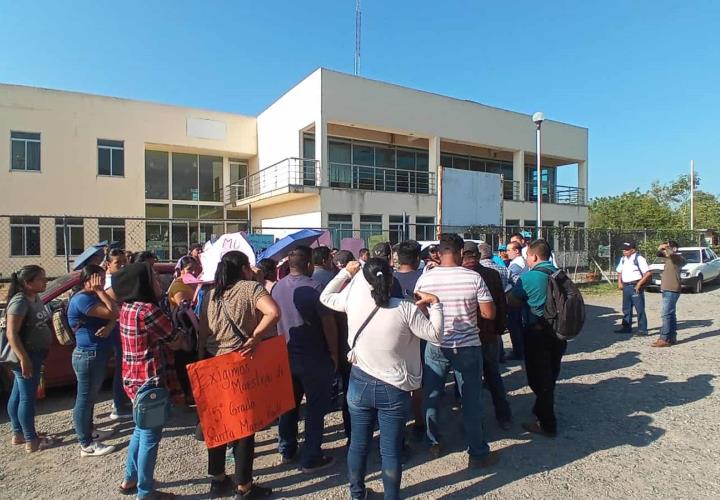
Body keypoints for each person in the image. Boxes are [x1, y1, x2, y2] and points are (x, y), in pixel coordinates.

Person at [320, 258, 443, 500]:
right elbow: (436, 334)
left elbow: (325, 296)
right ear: (391, 278)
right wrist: (435, 304)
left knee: (358, 443)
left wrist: (345, 272)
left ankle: (357, 493)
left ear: (364, 280)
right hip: (394, 388)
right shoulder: (405, 308)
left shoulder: (352, 301)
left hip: (359, 383)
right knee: (391, 450)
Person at [198, 251, 280, 499]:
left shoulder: (211, 294)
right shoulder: (250, 289)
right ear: (244, 268)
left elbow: (202, 332)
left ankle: (218, 477)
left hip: (214, 362)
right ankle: (244, 485)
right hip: (240, 361)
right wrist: (255, 336)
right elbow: (273, 312)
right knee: (244, 425)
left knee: (218, 423)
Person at [414, 233, 499, 468]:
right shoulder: (473, 278)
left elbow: (419, 312)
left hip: (437, 344)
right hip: (468, 345)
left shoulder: (425, 279)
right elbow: (489, 314)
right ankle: (478, 452)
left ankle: (433, 443)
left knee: (432, 394)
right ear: (461, 252)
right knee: (471, 400)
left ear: (439, 254)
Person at [113, 262, 184, 499]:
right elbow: (173, 338)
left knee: (140, 429)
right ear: (141, 284)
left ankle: (130, 478)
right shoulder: (148, 311)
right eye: (154, 279)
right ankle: (145, 491)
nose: (159, 283)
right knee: (151, 437)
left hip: (132, 378)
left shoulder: (127, 308)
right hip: (149, 381)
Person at [272, 246, 339, 473]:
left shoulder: (277, 287)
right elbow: (329, 325)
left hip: (285, 356)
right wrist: (334, 353)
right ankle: (311, 456)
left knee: (287, 407)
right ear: (309, 264)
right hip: (315, 358)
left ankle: (287, 449)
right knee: (315, 408)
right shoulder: (317, 288)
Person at [508, 239, 566, 437]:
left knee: (538, 378)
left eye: (527, 258)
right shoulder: (560, 274)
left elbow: (513, 301)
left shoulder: (530, 277)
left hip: (537, 332)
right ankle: (541, 408)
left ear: (533, 256)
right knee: (551, 372)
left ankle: (547, 423)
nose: (527, 261)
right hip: (559, 332)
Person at [67, 264, 118, 457]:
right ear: (88, 279)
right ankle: (86, 443)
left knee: (90, 398)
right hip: (88, 354)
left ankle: (90, 432)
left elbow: (115, 312)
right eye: (99, 280)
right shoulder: (82, 299)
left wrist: (111, 324)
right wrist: (99, 292)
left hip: (97, 352)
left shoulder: (93, 296)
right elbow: (113, 312)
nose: (102, 283)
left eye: (104, 280)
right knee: (84, 399)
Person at [5, 265, 56, 452]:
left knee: (18, 394)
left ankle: (18, 433)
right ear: (28, 283)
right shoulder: (19, 302)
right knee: (27, 398)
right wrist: (24, 359)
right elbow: (12, 334)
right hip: (27, 355)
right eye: (41, 278)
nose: (46, 281)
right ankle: (31, 440)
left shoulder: (34, 297)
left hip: (36, 353)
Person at [461, 243, 512, 429]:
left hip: (465, 336)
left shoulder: (459, 276)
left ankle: (473, 422)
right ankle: (503, 416)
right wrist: (499, 330)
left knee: (467, 381)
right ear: (478, 255)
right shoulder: (491, 274)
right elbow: (501, 305)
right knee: (493, 376)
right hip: (488, 334)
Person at [390, 240, 426, 436]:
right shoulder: (424, 278)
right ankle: (419, 421)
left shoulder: (389, 279)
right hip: (419, 335)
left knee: (396, 380)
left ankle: (398, 423)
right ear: (417, 258)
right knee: (417, 380)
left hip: (395, 335)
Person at [166, 256, 201, 406]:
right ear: (181, 271)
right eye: (189, 269)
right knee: (185, 363)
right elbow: (184, 307)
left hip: (192, 328)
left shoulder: (195, 283)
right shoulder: (178, 285)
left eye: (195, 268)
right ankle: (186, 395)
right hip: (184, 329)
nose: (192, 271)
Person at [104, 249, 132, 420]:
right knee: (122, 368)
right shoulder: (110, 284)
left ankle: (121, 401)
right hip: (117, 328)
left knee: (124, 366)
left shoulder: (118, 279)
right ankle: (119, 406)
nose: (122, 265)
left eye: (124, 261)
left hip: (121, 327)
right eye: (117, 263)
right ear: (108, 265)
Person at [614, 241, 651, 336]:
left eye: (626, 249)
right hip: (626, 286)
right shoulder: (623, 259)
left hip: (635, 286)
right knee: (626, 308)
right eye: (623, 249)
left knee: (639, 309)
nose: (624, 251)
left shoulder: (639, 259)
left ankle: (642, 329)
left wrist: (639, 284)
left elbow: (647, 273)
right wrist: (619, 282)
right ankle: (626, 327)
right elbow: (619, 271)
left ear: (633, 250)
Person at [653, 241, 685, 347]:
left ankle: (664, 338)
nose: (665, 250)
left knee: (666, 314)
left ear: (674, 248)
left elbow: (671, 254)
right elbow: (658, 254)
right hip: (667, 289)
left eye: (668, 247)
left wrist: (667, 247)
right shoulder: (669, 258)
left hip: (672, 290)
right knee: (671, 314)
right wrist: (660, 248)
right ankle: (671, 337)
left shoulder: (677, 258)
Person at [506, 242, 527, 360]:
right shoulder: (521, 261)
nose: (507, 252)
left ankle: (517, 351)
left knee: (514, 325)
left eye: (509, 250)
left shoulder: (516, 265)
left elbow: (512, 279)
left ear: (517, 251)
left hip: (515, 298)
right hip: (520, 297)